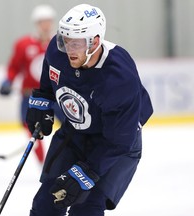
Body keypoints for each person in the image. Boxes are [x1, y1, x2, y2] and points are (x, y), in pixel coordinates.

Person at [26, 4, 153, 216]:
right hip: (75, 133)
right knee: (46, 204)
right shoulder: (57, 52)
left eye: (75, 43)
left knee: (86, 208)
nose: (68, 50)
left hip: (115, 145)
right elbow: (51, 71)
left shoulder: (119, 77)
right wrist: (42, 100)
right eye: (65, 41)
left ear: (94, 42)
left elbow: (119, 141)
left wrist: (86, 172)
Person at [0, 4, 64, 164]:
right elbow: (13, 67)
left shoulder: (60, 43)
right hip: (31, 96)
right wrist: (8, 81)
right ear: (36, 23)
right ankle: (44, 164)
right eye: (42, 21)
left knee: (70, 128)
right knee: (32, 131)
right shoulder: (23, 44)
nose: (46, 25)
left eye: (48, 21)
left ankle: (65, 160)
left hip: (56, 96)